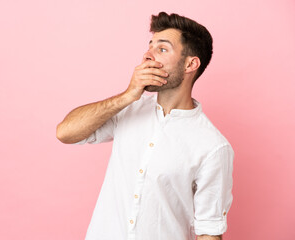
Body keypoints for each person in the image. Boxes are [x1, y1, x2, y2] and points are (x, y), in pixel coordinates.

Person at [57, 11, 234, 240]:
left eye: (162, 49)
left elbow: (209, 232)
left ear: (191, 64)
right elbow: (65, 133)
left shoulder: (213, 147)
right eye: (149, 46)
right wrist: (127, 96)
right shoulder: (128, 109)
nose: (147, 55)